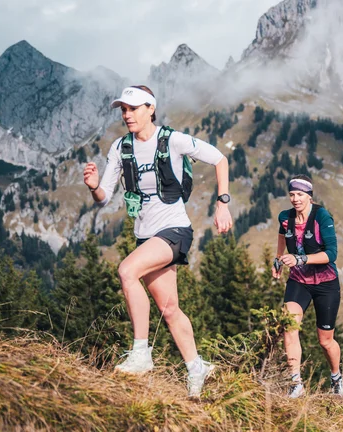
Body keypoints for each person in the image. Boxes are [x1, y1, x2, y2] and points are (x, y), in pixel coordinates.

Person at [83, 85, 233, 397]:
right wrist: (94, 185)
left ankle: (141, 354)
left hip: (174, 230)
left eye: (133, 108)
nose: (127, 114)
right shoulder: (120, 148)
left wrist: (222, 203)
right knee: (169, 308)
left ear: (151, 108)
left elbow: (220, 159)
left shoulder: (172, 140)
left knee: (127, 271)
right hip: (145, 236)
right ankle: (197, 368)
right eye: (123, 109)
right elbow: (103, 198)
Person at [272, 174, 343, 398]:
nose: (295, 199)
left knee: (325, 341)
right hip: (298, 281)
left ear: (309, 196)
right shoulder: (285, 217)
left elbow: (332, 254)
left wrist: (301, 259)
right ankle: (296, 384)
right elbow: (282, 236)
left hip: (326, 283)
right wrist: (278, 259)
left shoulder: (321, 216)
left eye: (300, 194)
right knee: (289, 328)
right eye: (292, 194)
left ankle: (335, 377)